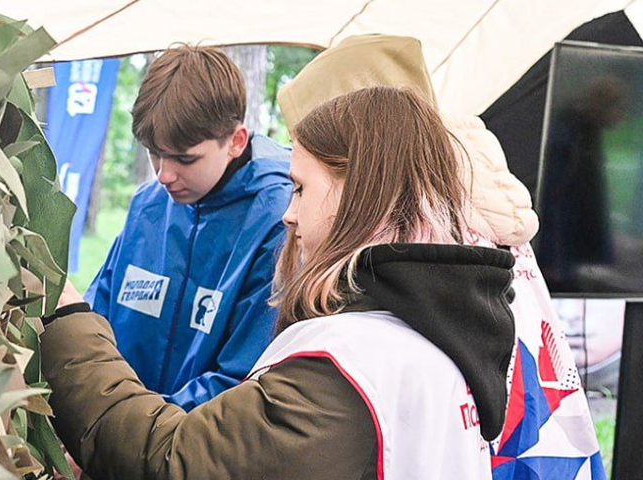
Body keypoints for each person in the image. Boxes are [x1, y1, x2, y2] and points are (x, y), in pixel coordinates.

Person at [41, 86, 514, 480]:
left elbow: (172, 460)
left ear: (362, 194)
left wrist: (66, 323)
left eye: (302, 188)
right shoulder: (435, 332)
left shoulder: (349, 367)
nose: (288, 213)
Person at [278, 34, 606, 478]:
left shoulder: (419, 233)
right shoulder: (476, 201)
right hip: (551, 451)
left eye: (305, 181)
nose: (293, 213)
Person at [82, 45, 292, 410]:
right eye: (154, 153)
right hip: (113, 435)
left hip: (194, 452)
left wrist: (129, 430)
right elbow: (94, 324)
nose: (164, 175)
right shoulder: (148, 205)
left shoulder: (278, 220)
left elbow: (242, 380)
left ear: (235, 141)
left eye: (184, 158)